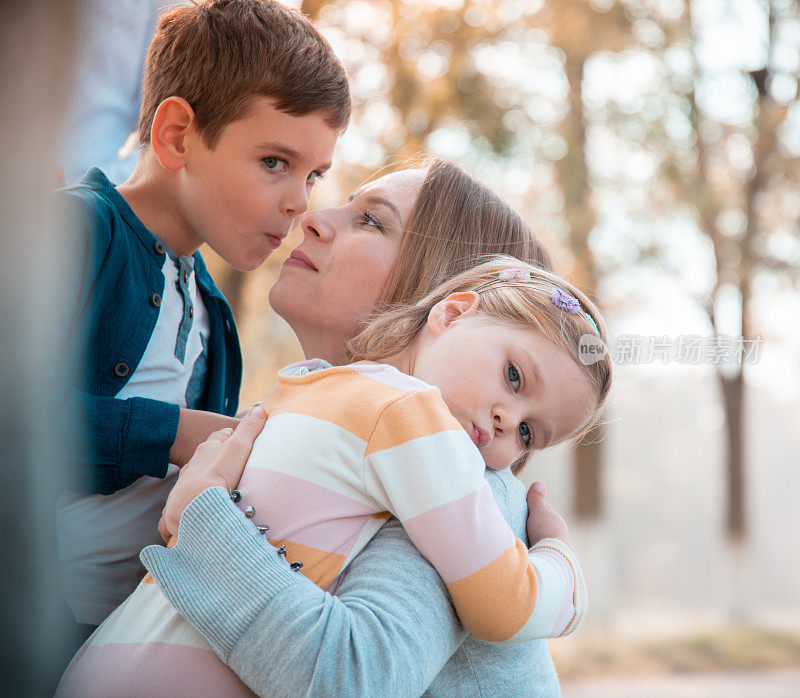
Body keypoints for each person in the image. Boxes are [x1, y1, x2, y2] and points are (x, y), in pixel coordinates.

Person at [61, 159, 598, 696]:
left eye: (372, 221)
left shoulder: (456, 483)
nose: (314, 218)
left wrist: (203, 518)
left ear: (446, 297)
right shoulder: (314, 408)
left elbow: (351, 676)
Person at [53, 0, 350, 632]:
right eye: (275, 163)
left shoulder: (214, 313)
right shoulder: (73, 231)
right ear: (178, 135)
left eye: (315, 175)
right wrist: (181, 434)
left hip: (118, 640)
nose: (300, 202)